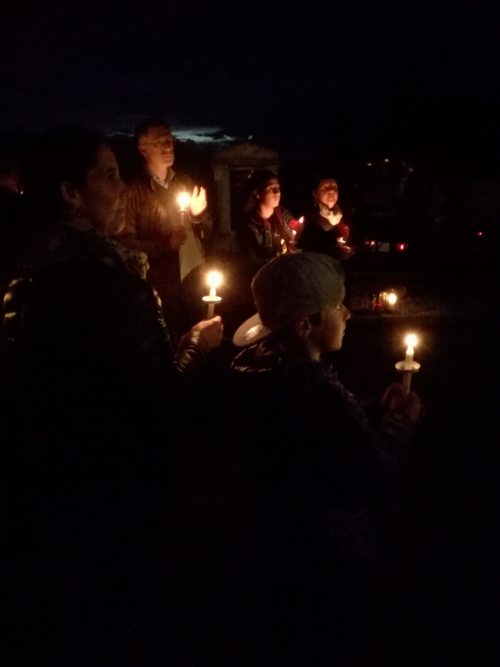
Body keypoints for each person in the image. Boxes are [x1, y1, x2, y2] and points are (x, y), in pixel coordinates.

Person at [0, 126, 223, 667]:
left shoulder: (25, 272)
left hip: (45, 491)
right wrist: (195, 345)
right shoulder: (107, 283)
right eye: (106, 176)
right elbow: (159, 397)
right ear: (69, 193)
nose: (120, 188)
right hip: (114, 491)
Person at [228, 251, 422, 664]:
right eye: (336, 305)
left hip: (277, 548)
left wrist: (370, 410)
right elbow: (376, 476)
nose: (347, 314)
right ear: (304, 325)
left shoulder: (263, 375)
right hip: (329, 556)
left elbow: (322, 439)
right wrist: (400, 423)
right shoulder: (318, 394)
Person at [114, 117, 213, 338]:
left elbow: (206, 232)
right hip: (161, 285)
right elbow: (124, 243)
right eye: (160, 142)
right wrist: (165, 246)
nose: (168, 147)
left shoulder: (184, 183)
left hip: (193, 278)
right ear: (143, 149)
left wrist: (198, 217)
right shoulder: (132, 191)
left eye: (170, 141)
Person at [235, 169, 298, 267]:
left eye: (278, 188)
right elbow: (249, 259)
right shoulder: (247, 223)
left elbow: (295, 235)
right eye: (271, 188)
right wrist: (277, 261)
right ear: (257, 193)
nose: (277, 192)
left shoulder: (284, 215)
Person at [298, 174, 354, 261]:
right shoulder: (310, 220)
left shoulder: (344, 216)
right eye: (325, 188)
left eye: (334, 188)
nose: (331, 191)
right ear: (315, 194)